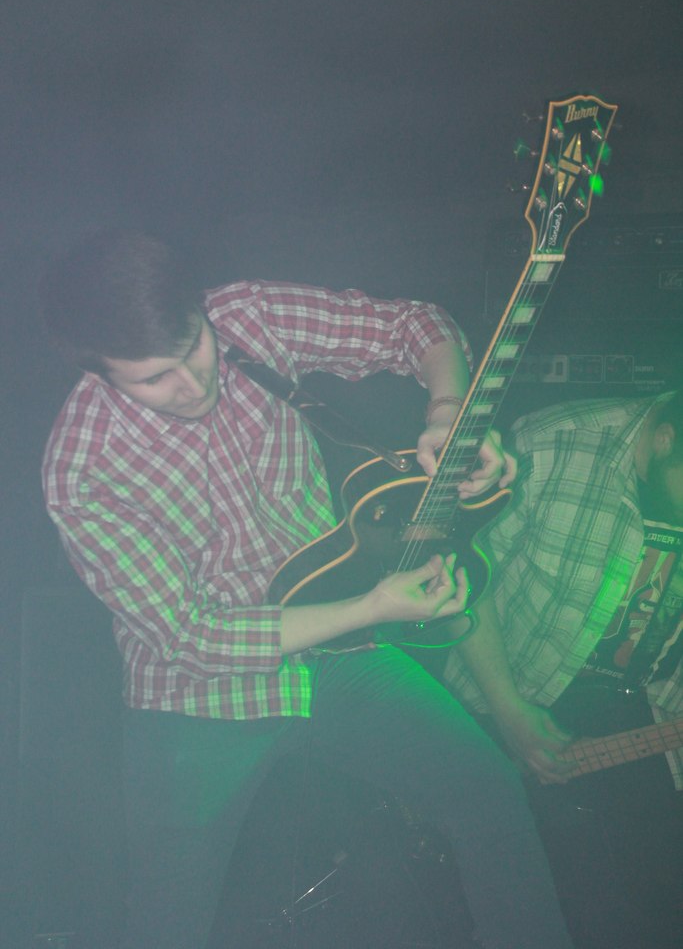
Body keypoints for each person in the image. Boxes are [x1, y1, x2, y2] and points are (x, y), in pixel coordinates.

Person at [41, 229, 573, 949]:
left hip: (339, 654)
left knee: (488, 791)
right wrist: (375, 606)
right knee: (167, 918)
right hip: (195, 698)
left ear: (200, 310)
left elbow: (417, 326)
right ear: (100, 373)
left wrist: (449, 415)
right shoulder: (82, 468)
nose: (193, 385)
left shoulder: (247, 316)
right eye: (154, 379)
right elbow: (191, 634)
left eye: (195, 347)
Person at [442, 392, 683, 949]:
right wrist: (508, 710)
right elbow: (456, 580)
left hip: (644, 719)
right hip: (508, 706)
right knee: (566, 904)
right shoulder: (551, 445)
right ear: (665, 439)